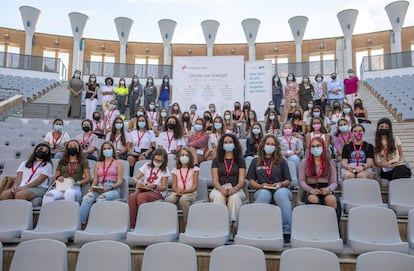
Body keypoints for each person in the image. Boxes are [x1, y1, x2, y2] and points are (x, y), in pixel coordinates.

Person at [247, 134, 292, 244]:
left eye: (272, 144)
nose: (270, 146)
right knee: (263, 195)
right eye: (268, 144)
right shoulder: (255, 161)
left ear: (276, 147)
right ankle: (259, 228)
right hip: (262, 188)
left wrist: (280, 184)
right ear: (263, 145)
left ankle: (287, 231)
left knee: (281, 195)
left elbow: (288, 180)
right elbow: (251, 181)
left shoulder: (282, 160)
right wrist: (261, 186)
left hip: (280, 188)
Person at [79, 141, 123, 226]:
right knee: (87, 198)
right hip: (99, 187)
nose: (107, 150)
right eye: (105, 149)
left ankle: (97, 224)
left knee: (100, 199)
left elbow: (120, 181)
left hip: (113, 188)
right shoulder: (98, 164)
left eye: (109, 148)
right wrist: (92, 188)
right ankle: (81, 223)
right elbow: (95, 180)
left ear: (113, 150)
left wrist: (109, 188)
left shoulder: (118, 163)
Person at [209, 133, 246, 235]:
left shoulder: (240, 161)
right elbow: (215, 180)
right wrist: (221, 189)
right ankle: (220, 226)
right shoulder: (216, 161)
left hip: (236, 189)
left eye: (230, 142)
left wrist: (234, 189)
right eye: (225, 142)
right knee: (218, 197)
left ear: (235, 144)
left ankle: (233, 226)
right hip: (219, 188)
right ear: (222, 145)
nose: (228, 144)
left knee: (234, 198)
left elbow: (242, 181)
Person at [128, 148, 170, 228]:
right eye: (156, 160)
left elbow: (164, 187)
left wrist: (154, 186)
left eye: (159, 161)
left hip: (157, 192)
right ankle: (133, 225)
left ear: (164, 161)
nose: (157, 162)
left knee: (141, 197)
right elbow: (135, 178)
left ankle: (145, 223)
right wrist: (138, 182)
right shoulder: (147, 165)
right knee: (132, 197)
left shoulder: (165, 169)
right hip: (145, 189)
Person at [42, 140, 91, 204]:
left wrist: (76, 183)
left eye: (75, 146)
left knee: (69, 193)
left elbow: (88, 178)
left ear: (78, 148)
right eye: (70, 146)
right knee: (48, 195)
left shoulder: (83, 161)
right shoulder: (62, 161)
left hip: (75, 187)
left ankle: (68, 213)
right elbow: (56, 176)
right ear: (67, 148)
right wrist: (59, 178)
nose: (72, 147)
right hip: (61, 186)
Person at [299, 137, 338, 210]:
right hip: (310, 189)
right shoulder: (304, 162)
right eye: (313, 146)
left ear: (323, 147)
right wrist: (310, 190)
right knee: (313, 199)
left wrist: (328, 189)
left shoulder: (330, 163)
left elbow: (334, 182)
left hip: (325, 189)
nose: (315, 148)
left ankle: (332, 221)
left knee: (331, 199)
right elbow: (301, 181)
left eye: (318, 146)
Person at [165, 148, 199, 224]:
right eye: (182, 155)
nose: (184, 157)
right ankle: (169, 222)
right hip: (177, 192)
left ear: (190, 157)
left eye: (186, 155)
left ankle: (187, 222)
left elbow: (195, 186)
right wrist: (178, 191)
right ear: (179, 157)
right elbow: (174, 186)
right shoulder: (175, 170)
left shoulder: (195, 169)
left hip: (190, 193)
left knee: (183, 200)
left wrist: (185, 191)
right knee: (169, 200)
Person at [279, 122, 303, 187]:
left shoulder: (297, 140)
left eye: (289, 128)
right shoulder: (279, 139)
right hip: (282, 155)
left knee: (295, 159)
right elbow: (277, 149)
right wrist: (283, 153)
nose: (287, 129)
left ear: (292, 129)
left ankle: (297, 182)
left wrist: (294, 153)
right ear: (283, 130)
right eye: (285, 128)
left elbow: (299, 150)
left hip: (293, 155)